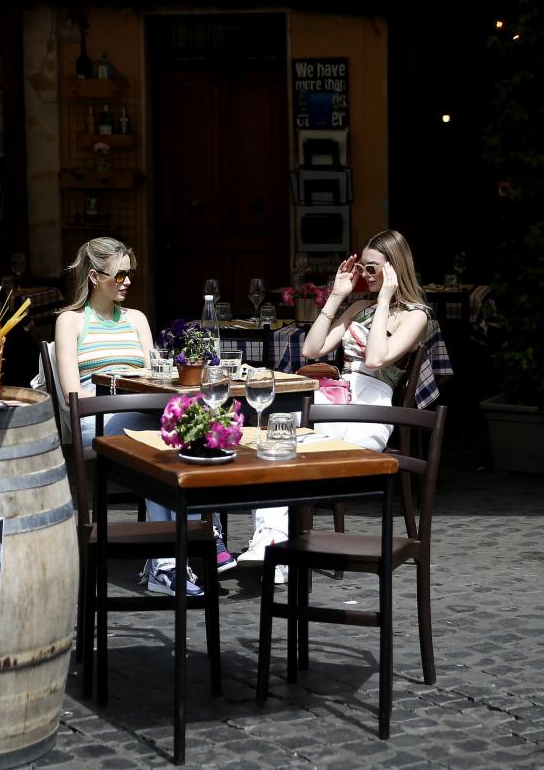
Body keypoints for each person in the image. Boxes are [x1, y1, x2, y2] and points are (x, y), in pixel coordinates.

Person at [238, 229, 430, 578]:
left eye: (374, 269)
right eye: (364, 268)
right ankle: (269, 540)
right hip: (333, 398)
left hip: (369, 409)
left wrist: (385, 302)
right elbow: (312, 350)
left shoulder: (416, 316)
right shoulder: (358, 307)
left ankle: (276, 546)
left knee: (288, 444)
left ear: (395, 268)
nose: (366, 276)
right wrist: (336, 296)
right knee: (273, 441)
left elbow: (375, 359)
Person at [54, 237, 216, 596]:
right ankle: (167, 563)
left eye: (130, 275)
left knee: (196, 437)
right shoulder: (71, 321)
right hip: (95, 418)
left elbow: (155, 374)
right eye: (119, 276)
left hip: (140, 410)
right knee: (159, 448)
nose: (127, 282)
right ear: (95, 277)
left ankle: (198, 543)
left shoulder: (136, 319)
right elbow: (72, 397)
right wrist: (119, 395)